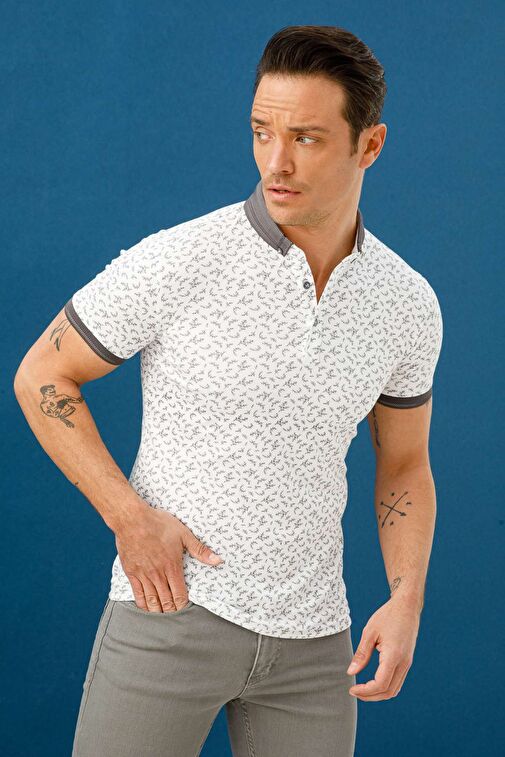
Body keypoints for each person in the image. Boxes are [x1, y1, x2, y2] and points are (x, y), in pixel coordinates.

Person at [13, 24, 443, 757]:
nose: (277, 162)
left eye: (306, 138)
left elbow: (404, 463)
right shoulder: (181, 259)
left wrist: (406, 601)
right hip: (170, 613)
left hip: (315, 646)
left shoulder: (406, 304)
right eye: (261, 132)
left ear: (369, 145)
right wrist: (128, 517)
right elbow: (41, 375)